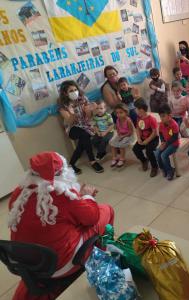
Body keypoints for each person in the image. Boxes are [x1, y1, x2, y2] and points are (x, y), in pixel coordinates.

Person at [9, 151, 114, 300]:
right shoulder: (63, 195)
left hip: (29, 264)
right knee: (105, 210)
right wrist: (87, 195)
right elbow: (91, 217)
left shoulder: (19, 193)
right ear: (63, 172)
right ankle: (100, 259)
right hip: (60, 265)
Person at [58, 80, 104, 174]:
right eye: (71, 91)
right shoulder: (63, 106)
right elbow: (71, 121)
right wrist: (72, 112)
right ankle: (92, 161)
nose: (74, 92)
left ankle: (71, 164)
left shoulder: (83, 99)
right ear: (65, 93)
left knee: (84, 137)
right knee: (84, 135)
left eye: (75, 89)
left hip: (85, 125)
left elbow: (89, 116)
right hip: (72, 128)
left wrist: (90, 109)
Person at [132, 99, 159, 177]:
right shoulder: (138, 118)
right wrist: (139, 138)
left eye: (135, 109)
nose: (135, 110)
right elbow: (138, 129)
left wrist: (147, 141)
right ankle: (144, 161)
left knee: (149, 151)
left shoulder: (151, 119)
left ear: (141, 110)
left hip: (153, 139)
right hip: (143, 138)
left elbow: (155, 133)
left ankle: (154, 167)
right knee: (135, 149)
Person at [155, 104, 180, 180]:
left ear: (169, 116)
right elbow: (161, 133)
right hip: (165, 142)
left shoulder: (174, 125)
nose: (161, 118)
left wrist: (165, 144)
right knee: (157, 153)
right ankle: (163, 168)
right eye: (160, 116)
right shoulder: (162, 124)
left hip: (174, 144)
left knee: (163, 155)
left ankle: (170, 171)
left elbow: (175, 137)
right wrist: (162, 141)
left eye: (163, 116)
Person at [109, 103, 134, 168]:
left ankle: (122, 159)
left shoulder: (128, 121)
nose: (119, 115)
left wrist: (123, 136)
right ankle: (115, 157)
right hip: (121, 135)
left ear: (126, 112)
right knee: (112, 143)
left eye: (121, 112)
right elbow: (118, 129)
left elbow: (131, 132)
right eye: (117, 113)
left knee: (121, 144)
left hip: (129, 136)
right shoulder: (117, 120)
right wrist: (119, 135)